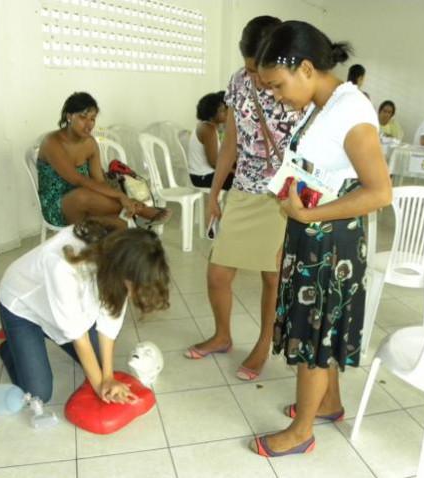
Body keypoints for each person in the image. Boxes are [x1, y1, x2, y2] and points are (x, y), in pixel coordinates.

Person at [251, 20, 392, 457]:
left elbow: (379, 192)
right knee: (321, 327)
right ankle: (328, 402)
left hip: (332, 242)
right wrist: (294, 229)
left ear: (306, 68)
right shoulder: (322, 103)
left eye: (277, 85)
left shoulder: (351, 111)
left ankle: (302, 432)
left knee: (313, 332)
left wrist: (307, 215)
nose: (275, 95)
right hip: (313, 234)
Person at [184, 16, 298, 381]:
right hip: (245, 189)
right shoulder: (238, 82)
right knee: (218, 272)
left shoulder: (296, 87)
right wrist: (215, 194)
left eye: (257, 70)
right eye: (248, 67)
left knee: (272, 276)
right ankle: (222, 335)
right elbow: (231, 141)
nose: (252, 76)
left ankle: (264, 343)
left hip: (283, 194)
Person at [0, 220, 170, 405]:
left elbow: (109, 323)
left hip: (60, 310)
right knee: (38, 393)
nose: (134, 293)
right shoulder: (64, 267)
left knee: (99, 364)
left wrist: (108, 376)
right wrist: (101, 389)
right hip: (22, 306)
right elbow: (80, 340)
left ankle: (25, 339)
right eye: (134, 285)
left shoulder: (119, 259)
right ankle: (5, 343)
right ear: (123, 270)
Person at [37, 92, 171, 230]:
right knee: (83, 196)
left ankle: (118, 218)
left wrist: (121, 198)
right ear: (69, 116)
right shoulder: (52, 142)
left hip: (88, 200)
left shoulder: (90, 143)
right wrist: (120, 196)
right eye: (83, 117)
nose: (89, 125)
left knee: (121, 225)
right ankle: (142, 211)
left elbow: (99, 181)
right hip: (58, 206)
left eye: (93, 119)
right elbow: (77, 179)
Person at [188, 91, 233, 190]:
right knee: (244, 180)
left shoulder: (207, 126)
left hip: (204, 175)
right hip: (203, 178)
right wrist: (233, 171)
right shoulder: (208, 129)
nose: (227, 112)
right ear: (212, 113)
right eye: (223, 110)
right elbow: (214, 163)